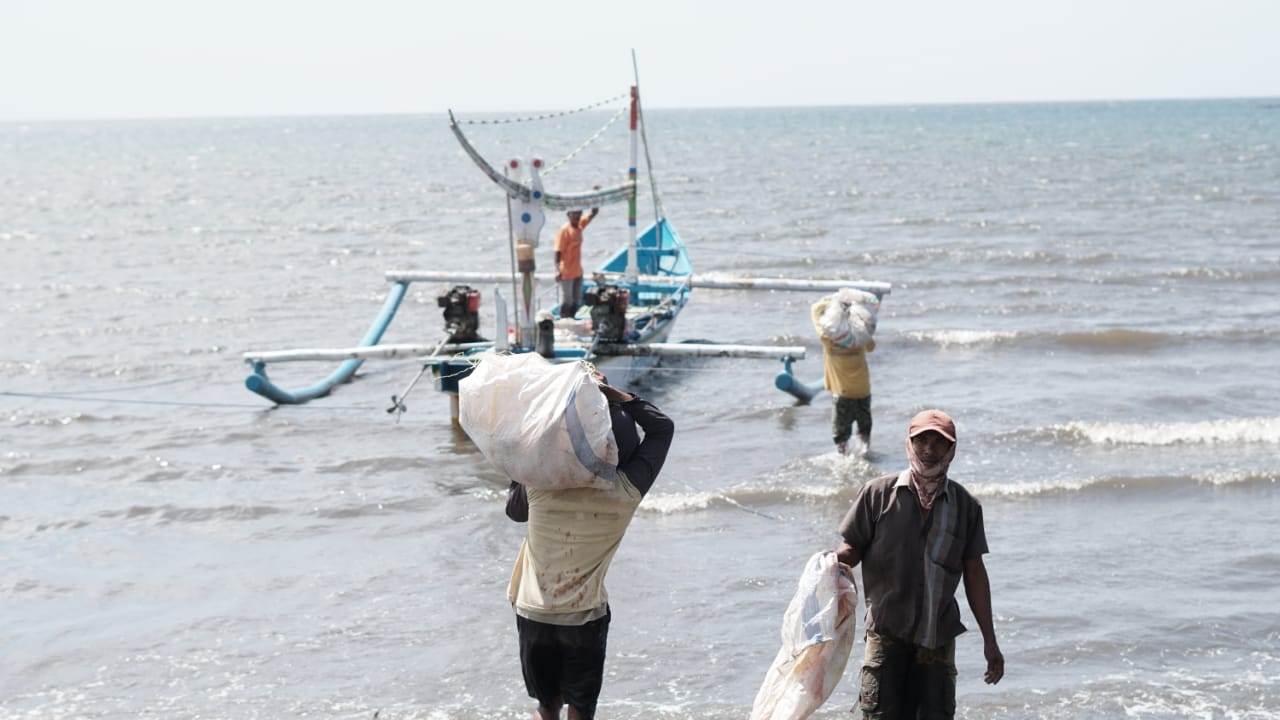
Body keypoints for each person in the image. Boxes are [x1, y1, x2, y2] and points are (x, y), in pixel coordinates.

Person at [504, 376, 674, 720]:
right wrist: (619, 397)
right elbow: (662, 429)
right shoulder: (627, 491)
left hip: (533, 610)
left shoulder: (541, 482)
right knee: (580, 709)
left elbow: (514, 509)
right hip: (583, 617)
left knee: (546, 705)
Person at [835, 409, 1004, 719]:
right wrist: (826, 564)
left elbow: (975, 574)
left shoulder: (966, 507)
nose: (929, 450)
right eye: (921, 441)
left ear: (951, 450)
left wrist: (990, 641)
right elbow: (851, 550)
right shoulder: (877, 495)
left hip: (937, 640)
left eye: (939, 443)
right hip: (886, 636)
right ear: (908, 444)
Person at [811, 296, 875, 455]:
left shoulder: (829, 340)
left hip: (842, 393)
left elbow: (815, 310)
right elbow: (871, 346)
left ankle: (843, 460)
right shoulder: (859, 339)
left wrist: (831, 301)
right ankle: (864, 453)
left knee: (840, 436)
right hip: (863, 391)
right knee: (864, 430)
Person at [553, 207, 599, 320]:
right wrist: (557, 270)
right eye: (574, 214)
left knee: (577, 298)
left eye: (579, 214)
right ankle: (564, 320)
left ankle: (571, 318)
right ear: (569, 215)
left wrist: (594, 207)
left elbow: (590, 216)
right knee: (567, 300)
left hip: (577, 270)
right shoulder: (564, 230)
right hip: (566, 271)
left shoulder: (579, 225)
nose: (577, 216)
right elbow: (558, 252)